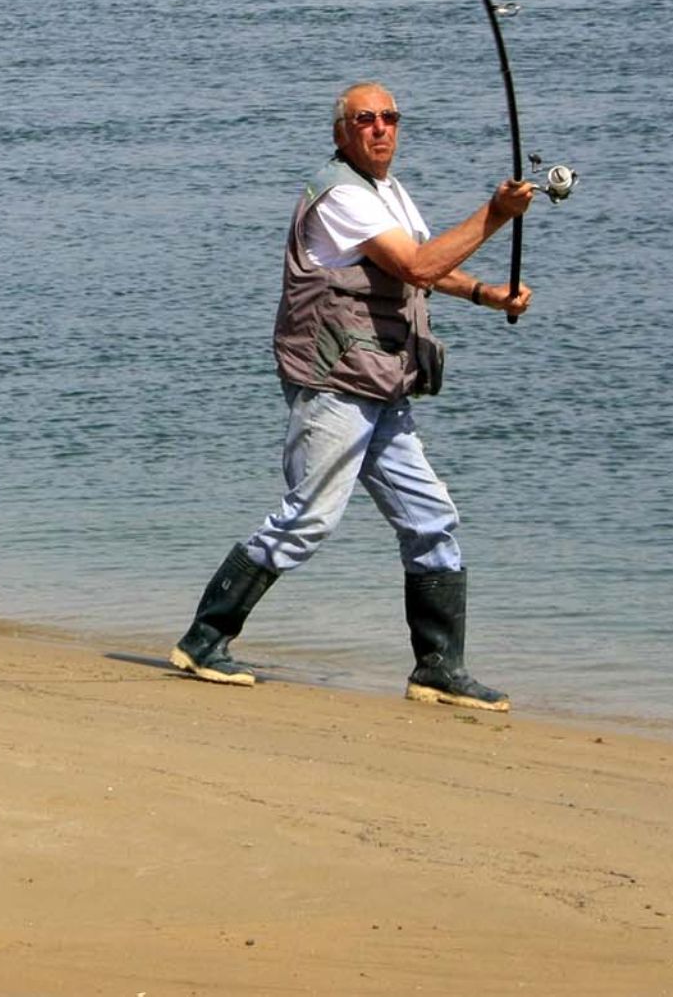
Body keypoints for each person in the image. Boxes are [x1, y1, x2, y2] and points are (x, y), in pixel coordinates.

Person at [171, 81, 535, 710]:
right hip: (334, 384)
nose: (380, 128)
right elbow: (416, 265)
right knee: (309, 518)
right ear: (341, 132)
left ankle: (438, 670)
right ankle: (205, 640)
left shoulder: (385, 190)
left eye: (390, 117)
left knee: (432, 520)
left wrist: (484, 293)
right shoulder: (340, 194)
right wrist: (496, 215)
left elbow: (421, 263)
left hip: (381, 384)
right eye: (364, 119)